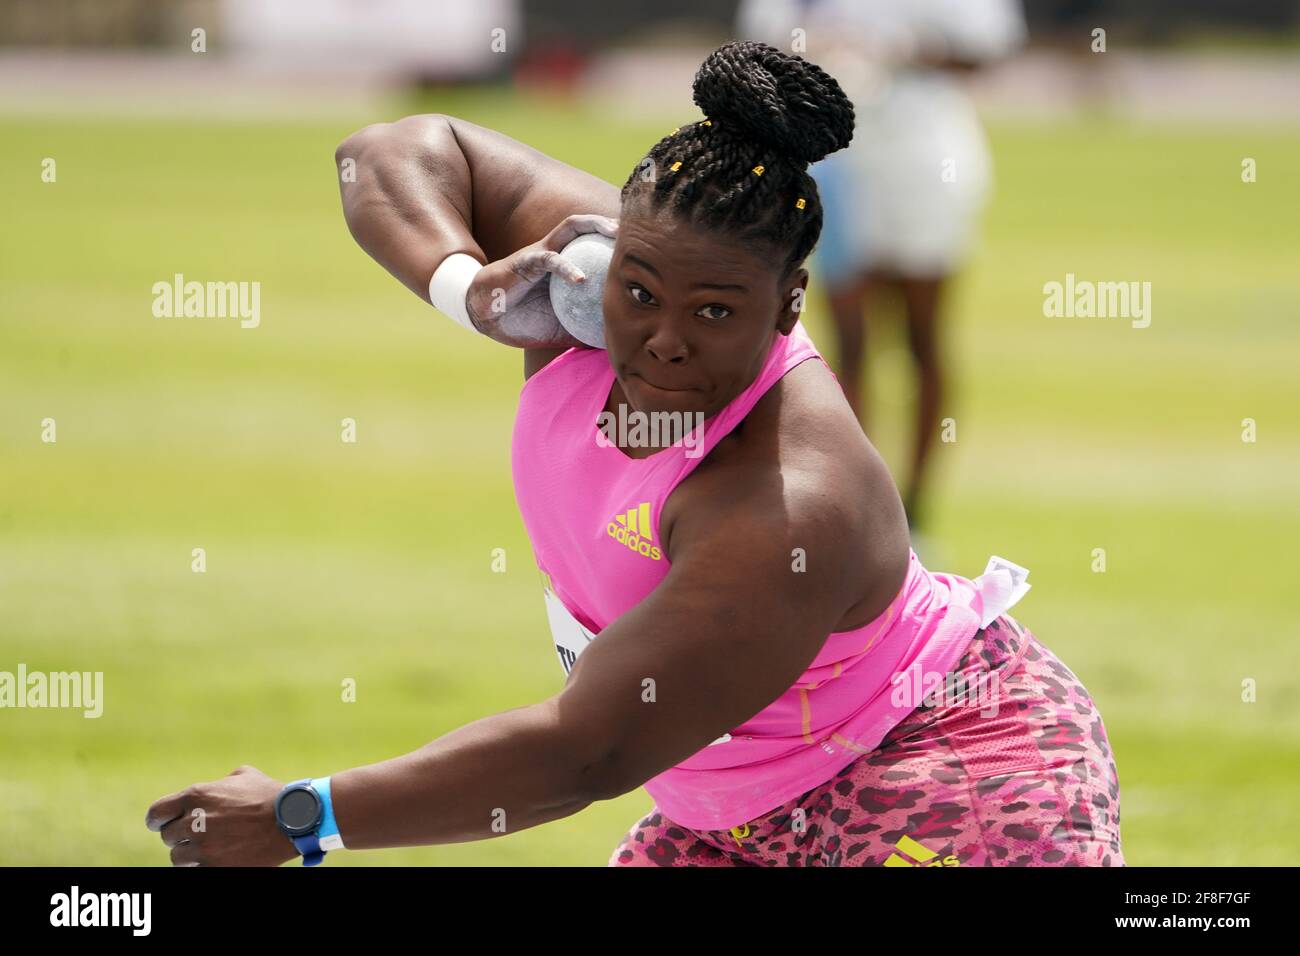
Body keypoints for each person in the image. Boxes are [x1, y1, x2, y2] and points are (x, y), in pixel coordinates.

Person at [145, 40, 1122, 867]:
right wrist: (471, 290)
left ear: (786, 308)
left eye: (713, 312)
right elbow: (389, 150)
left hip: (946, 778)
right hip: (736, 803)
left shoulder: (784, 496)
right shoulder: (577, 278)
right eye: (640, 291)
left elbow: (585, 751)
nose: (662, 339)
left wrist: (299, 817)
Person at [737, 0, 1027, 533]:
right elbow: (761, 44)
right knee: (847, 345)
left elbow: (987, 47)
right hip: (840, 163)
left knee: (922, 338)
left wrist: (907, 49)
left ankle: (916, 512)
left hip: (926, 164)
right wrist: (823, 47)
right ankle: (858, 508)